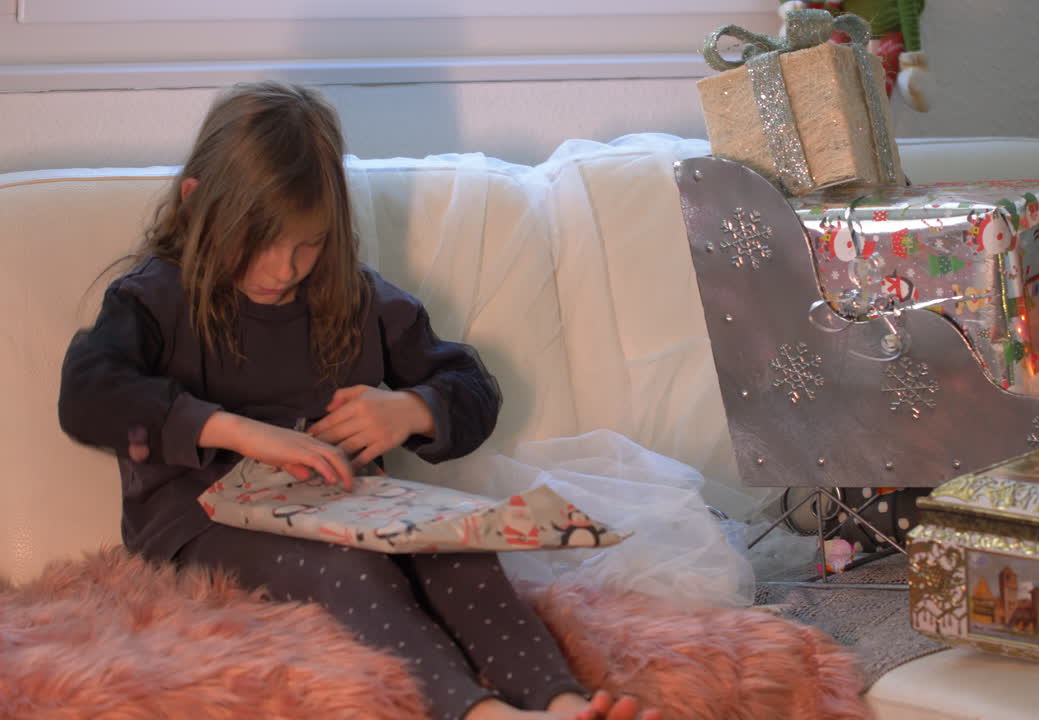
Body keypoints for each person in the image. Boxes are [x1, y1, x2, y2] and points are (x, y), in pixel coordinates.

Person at [58, 81, 659, 720]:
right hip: (202, 524)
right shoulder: (153, 298)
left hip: (351, 508)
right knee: (354, 571)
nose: (283, 268)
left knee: (462, 547)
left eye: (306, 243)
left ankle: (562, 702)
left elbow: (472, 386)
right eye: (257, 241)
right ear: (196, 202)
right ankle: (480, 713)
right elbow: (88, 395)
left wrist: (413, 409)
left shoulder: (354, 297)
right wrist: (235, 431)